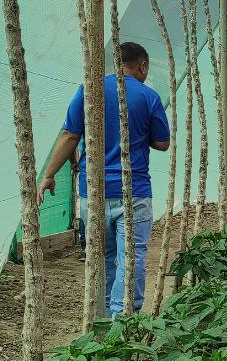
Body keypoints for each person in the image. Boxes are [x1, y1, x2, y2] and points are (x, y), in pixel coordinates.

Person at [39, 42, 170, 317]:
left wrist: (48, 174)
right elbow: (161, 143)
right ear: (142, 66)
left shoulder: (89, 89)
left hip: (94, 191)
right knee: (131, 259)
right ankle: (121, 321)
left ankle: (101, 322)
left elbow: (70, 136)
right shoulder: (148, 97)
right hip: (133, 192)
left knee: (103, 259)